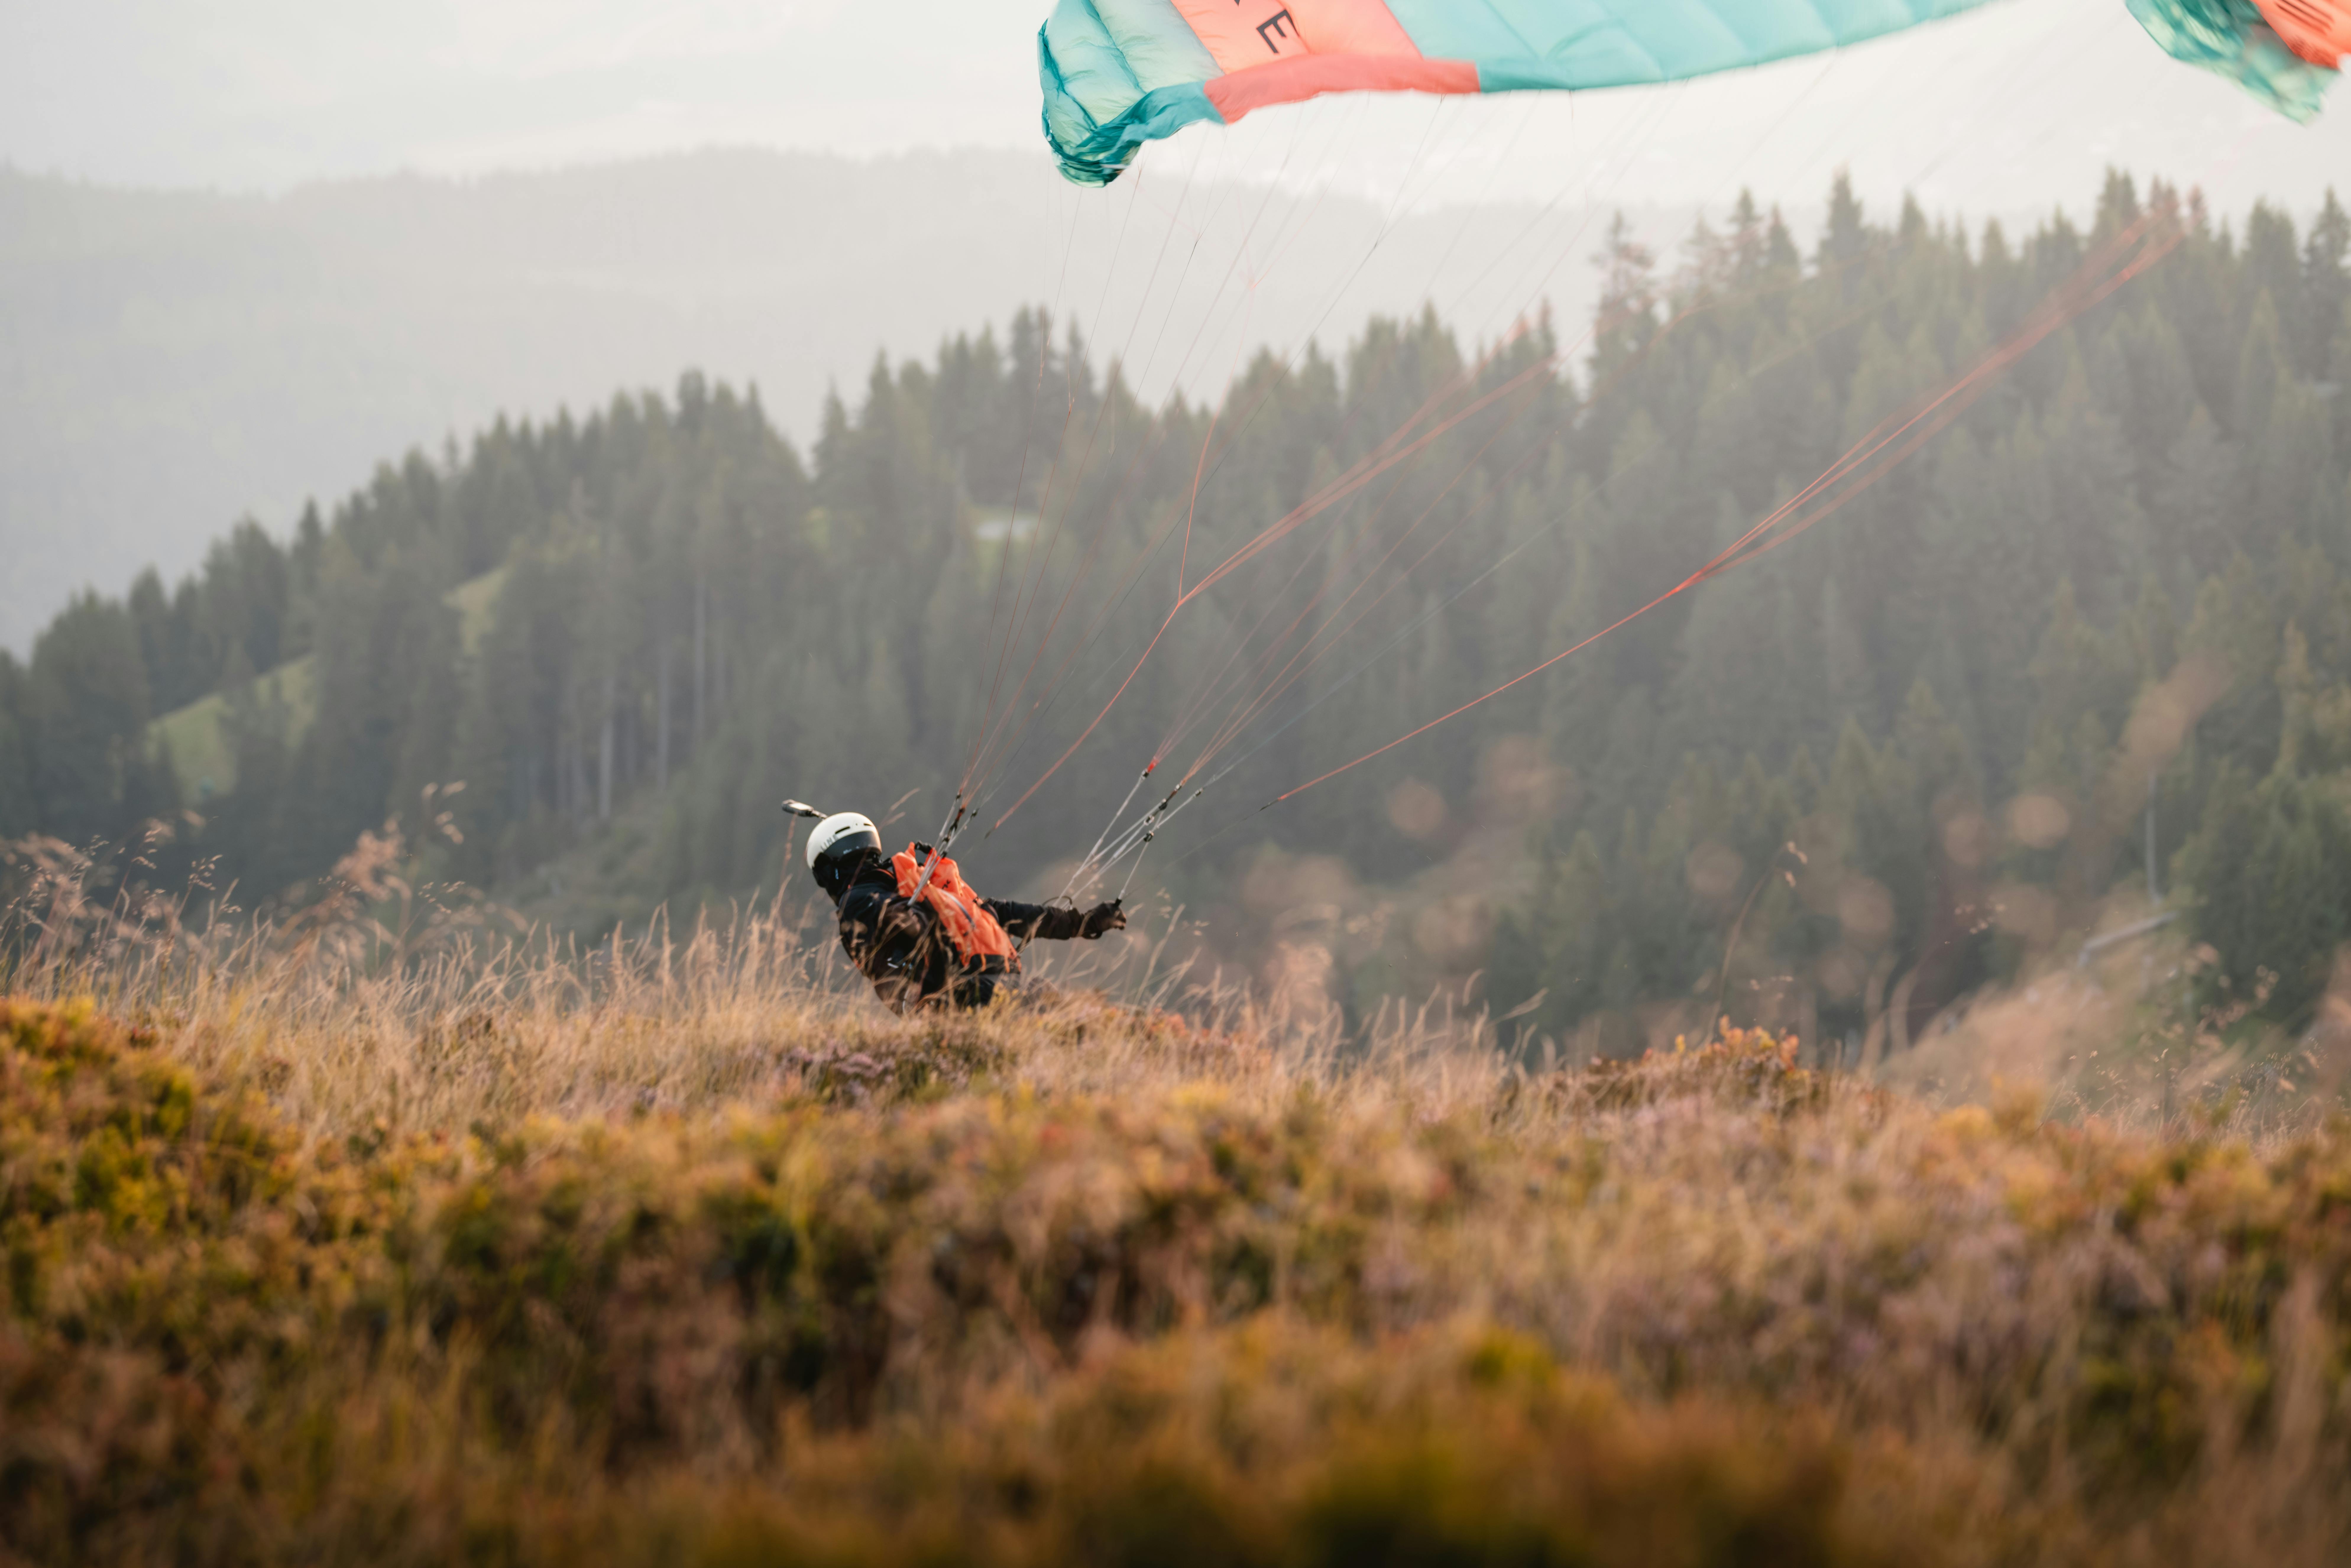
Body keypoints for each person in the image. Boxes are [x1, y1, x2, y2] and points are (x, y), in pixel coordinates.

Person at [803, 810, 1125, 1011]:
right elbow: (1005, 913)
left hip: (965, 997)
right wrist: (1079, 924)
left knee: (1056, 1018)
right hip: (982, 988)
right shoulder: (921, 892)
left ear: (828, 871)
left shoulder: (861, 900)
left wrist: (1081, 923)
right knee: (1061, 1018)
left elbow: (999, 914)